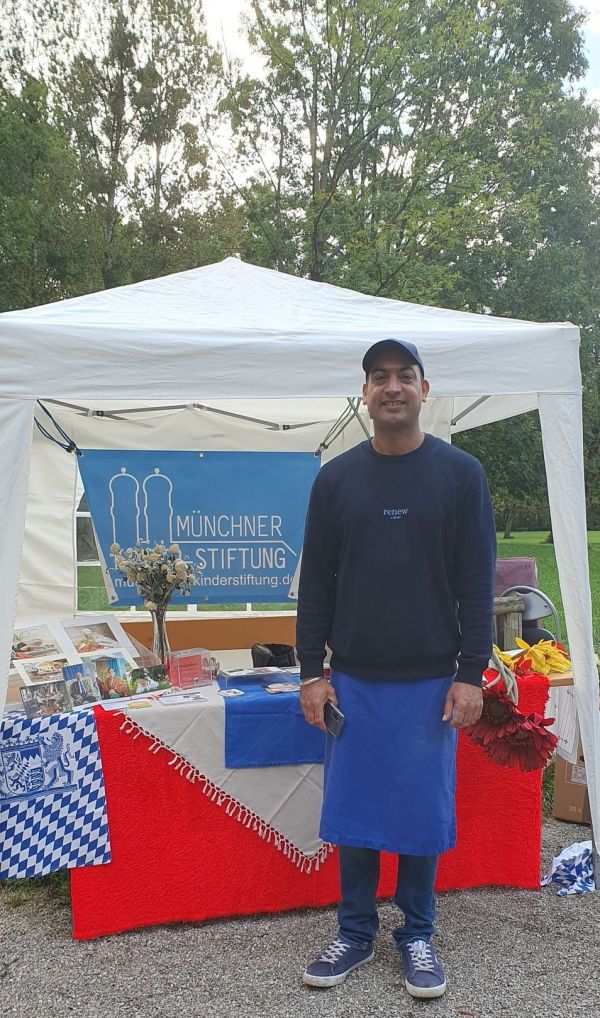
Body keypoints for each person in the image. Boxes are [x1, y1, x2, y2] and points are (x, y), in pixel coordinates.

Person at [296, 339, 496, 999]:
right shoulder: (336, 480)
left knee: (416, 812)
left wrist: (471, 672)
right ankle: (354, 932)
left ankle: (415, 934)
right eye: (379, 377)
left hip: (431, 683)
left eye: (404, 376)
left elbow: (477, 581)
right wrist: (309, 672)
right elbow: (316, 587)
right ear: (365, 394)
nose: (392, 387)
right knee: (354, 814)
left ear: (423, 389)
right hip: (353, 679)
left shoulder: (461, 475)